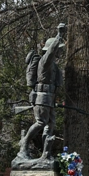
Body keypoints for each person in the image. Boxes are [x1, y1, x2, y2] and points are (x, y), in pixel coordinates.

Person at [17, 23, 66, 161]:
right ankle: (23, 146)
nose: (60, 52)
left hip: (49, 98)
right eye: (59, 49)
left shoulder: (54, 66)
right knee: (40, 122)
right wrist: (59, 35)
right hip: (42, 97)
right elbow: (51, 51)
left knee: (50, 125)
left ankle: (46, 153)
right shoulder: (45, 62)